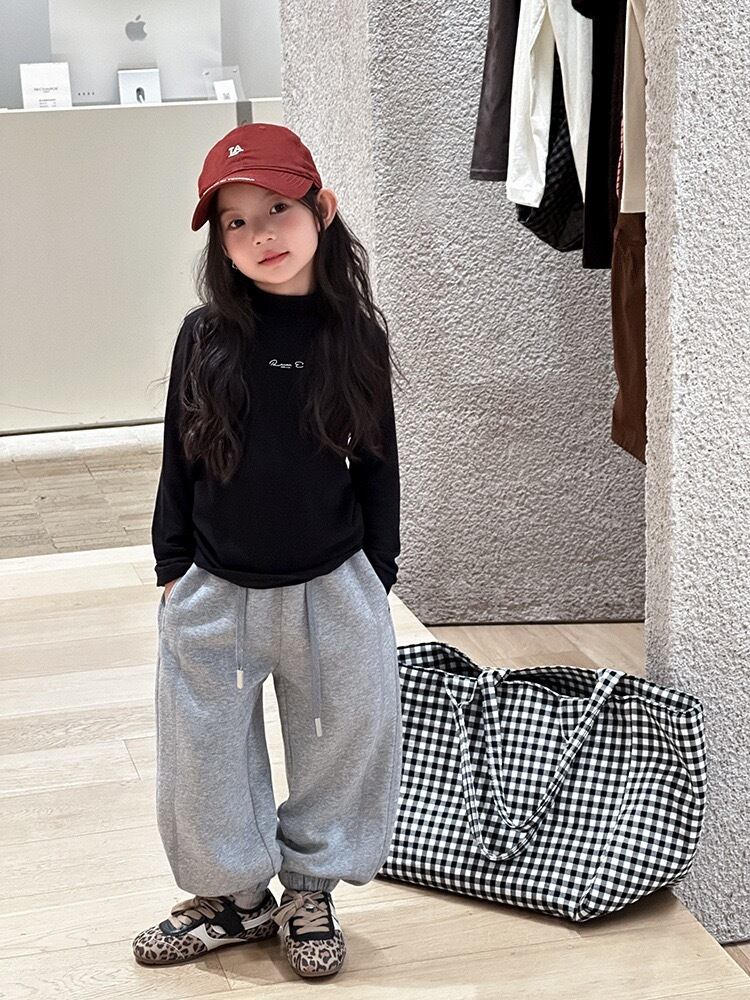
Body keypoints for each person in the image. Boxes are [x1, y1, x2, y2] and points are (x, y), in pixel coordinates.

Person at [131, 123, 404, 979]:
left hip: (334, 582)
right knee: (203, 752)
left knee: (344, 743)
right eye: (236, 222)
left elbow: (379, 462)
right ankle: (234, 899)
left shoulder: (355, 336)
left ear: (323, 208)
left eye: (278, 208)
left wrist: (378, 571)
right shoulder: (204, 336)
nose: (261, 235)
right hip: (214, 585)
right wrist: (171, 567)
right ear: (220, 242)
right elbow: (178, 455)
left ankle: (310, 891)